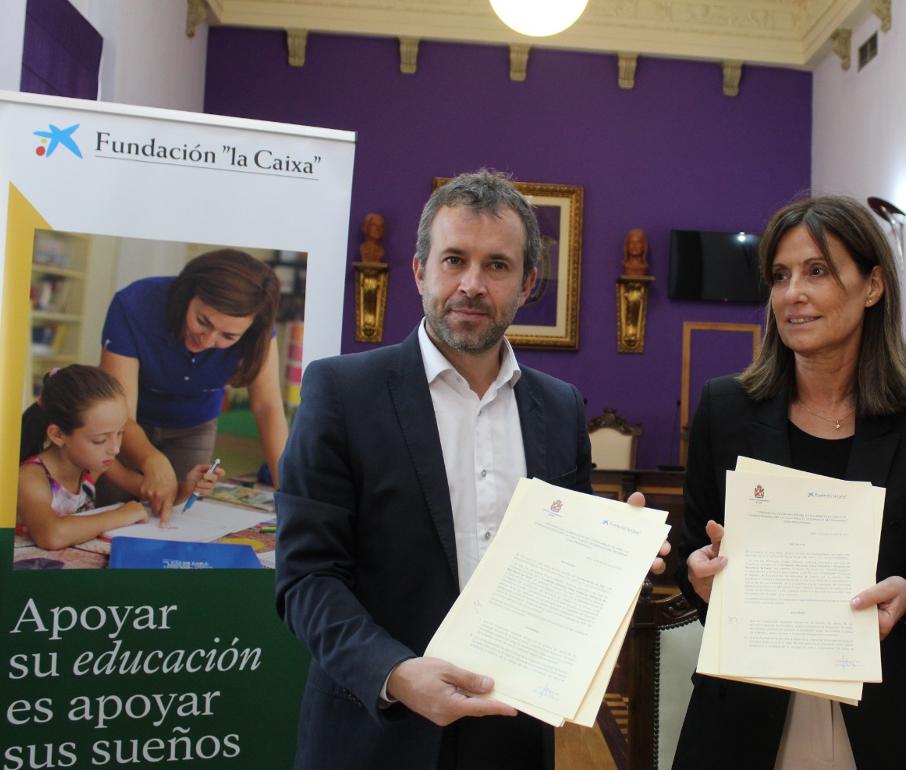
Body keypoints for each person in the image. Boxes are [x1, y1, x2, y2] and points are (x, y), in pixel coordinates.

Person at [276, 170, 669, 770]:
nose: (471, 284)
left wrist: (619, 561)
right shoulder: (340, 392)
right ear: (419, 271)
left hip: (513, 735)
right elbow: (307, 577)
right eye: (454, 259)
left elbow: (564, 575)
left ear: (528, 283)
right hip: (372, 734)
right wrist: (396, 674)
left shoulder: (560, 408)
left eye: (497, 266)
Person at [674, 196, 906, 769]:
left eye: (816, 271)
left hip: (894, 718)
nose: (792, 293)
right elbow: (691, 548)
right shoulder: (726, 407)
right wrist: (699, 574)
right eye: (780, 276)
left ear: (872, 286)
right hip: (746, 717)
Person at [99, 249, 285, 521]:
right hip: (124, 424)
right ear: (187, 295)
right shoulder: (135, 305)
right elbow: (120, 415)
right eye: (202, 321)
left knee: (178, 513)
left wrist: (290, 493)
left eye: (228, 336)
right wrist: (152, 459)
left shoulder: (259, 333)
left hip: (194, 424)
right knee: (112, 509)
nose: (207, 341)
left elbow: (268, 407)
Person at [17, 365, 222, 551]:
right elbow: (51, 535)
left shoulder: (97, 465)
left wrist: (188, 487)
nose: (115, 449)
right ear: (58, 435)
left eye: (120, 433)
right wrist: (119, 515)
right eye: (100, 440)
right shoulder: (32, 477)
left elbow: (153, 493)